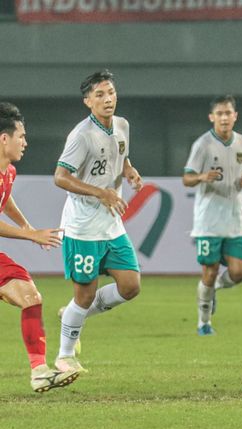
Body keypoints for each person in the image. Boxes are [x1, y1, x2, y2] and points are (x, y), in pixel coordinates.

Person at [53, 70, 143, 374]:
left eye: (111, 92)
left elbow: (122, 155)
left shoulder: (122, 125)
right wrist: (100, 192)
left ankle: (72, 315)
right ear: (88, 101)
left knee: (130, 285)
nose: (108, 99)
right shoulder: (81, 136)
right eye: (100, 95)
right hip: (82, 227)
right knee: (86, 294)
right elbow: (60, 177)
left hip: (111, 224)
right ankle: (64, 355)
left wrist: (129, 171)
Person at [0, 102, 80, 392]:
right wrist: (31, 236)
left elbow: (4, 199)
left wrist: (26, 226)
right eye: (21, 136)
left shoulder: (7, 172)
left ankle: (39, 372)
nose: (25, 142)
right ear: (4, 138)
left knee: (30, 296)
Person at [183, 95, 242, 335]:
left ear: (235, 116)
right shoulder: (203, 145)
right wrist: (201, 177)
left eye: (228, 113)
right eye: (219, 113)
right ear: (212, 117)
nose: (224, 117)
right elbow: (187, 178)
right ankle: (204, 323)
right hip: (208, 221)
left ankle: (211, 292)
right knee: (209, 271)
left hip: (235, 219)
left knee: (240, 272)